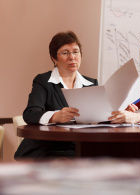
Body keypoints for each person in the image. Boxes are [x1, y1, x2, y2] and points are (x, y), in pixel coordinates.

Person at [15, 31, 98, 159]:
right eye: (65, 53)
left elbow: (99, 116)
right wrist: (55, 116)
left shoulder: (91, 84)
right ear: (54, 58)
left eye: (76, 51)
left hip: (80, 148)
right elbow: (30, 113)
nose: (72, 57)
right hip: (48, 148)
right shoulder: (43, 81)